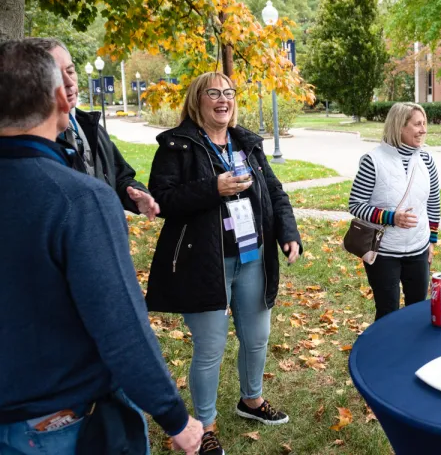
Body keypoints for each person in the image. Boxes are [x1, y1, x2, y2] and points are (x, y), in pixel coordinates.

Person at [0, 40, 202, 455]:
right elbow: (121, 327)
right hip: (60, 426)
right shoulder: (78, 200)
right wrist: (176, 419)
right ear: (59, 97)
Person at [145, 72, 301, 455]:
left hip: (252, 256)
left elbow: (275, 190)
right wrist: (212, 189)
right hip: (204, 262)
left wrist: (288, 231)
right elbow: (162, 199)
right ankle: (206, 425)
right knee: (210, 346)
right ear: (197, 100)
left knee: (257, 336)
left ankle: (251, 401)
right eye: (213, 93)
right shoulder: (178, 145)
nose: (223, 99)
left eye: (229, 93)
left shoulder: (246, 143)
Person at [22, 37, 160, 219]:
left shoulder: (91, 126)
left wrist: (137, 196)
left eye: (70, 72)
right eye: (56, 76)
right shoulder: (28, 140)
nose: (69, 82)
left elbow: (119, 177)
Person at [348, 102, 441, 321]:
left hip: (418, 250)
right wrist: (391, 218)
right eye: (417, 124)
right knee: (388, 314)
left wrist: (432, 240)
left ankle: (413, 354)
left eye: (424, 124)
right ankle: (386, 353)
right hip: (384, 253)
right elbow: (355, 204)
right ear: (400, 126)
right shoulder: (373, 161)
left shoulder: (427, 160)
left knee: (417, 312)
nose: (423, 130)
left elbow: (434, 202)